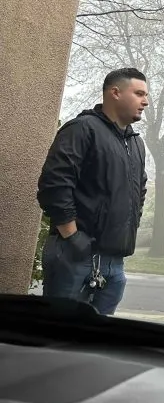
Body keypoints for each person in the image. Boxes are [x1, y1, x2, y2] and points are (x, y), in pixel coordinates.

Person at [37, 68, 149, 315]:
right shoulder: (82, 129)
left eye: (146, 95)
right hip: (74, 254)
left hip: (114, 262)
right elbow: (54, 184)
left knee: (97, 343)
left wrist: (128, 230)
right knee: (60, 337)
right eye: (139, 93)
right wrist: (72, 236)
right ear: (115, 93)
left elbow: (139, 191)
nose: (146, 101)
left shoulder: (136, 143)